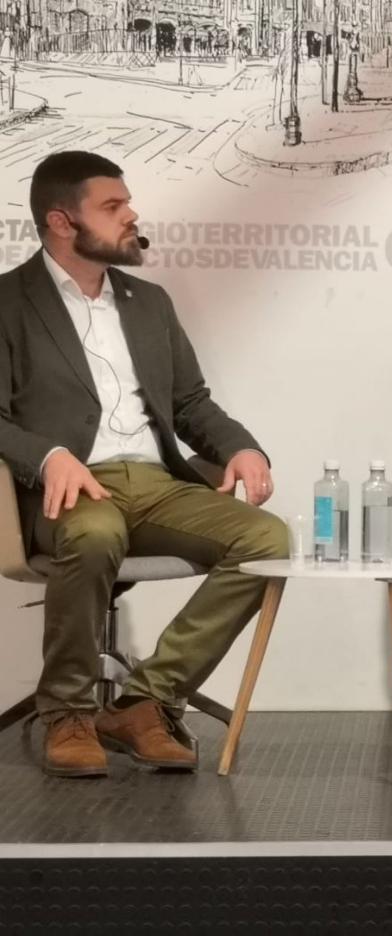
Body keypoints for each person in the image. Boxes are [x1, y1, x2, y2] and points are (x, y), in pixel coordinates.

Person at [0, 151, 287, 777]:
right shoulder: (8, 302)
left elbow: (191, 404)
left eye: (126, 203)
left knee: (268, 539)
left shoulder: (148, 302)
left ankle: (145, 699)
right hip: (68, 489)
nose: (132, 215)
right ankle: (69, 711)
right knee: (96, 532)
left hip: (157, 482)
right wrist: (47, 457)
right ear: (61, 221)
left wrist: (240, 445)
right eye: (112, 206)